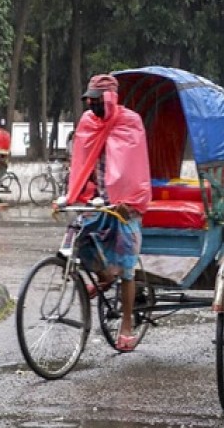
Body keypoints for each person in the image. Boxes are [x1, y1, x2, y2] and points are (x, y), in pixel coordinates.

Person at [64, 74, 151, 352]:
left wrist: (130, 201)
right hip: (98, 199)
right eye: (89, 101)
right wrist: (74, 194)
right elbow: (81, 162)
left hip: (125, 205)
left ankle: (126, 325)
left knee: (127, 268)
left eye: (97, 100)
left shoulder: (130, 122)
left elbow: (136, 168)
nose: (92, 105)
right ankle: (104, 277)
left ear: (110, 98)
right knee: (79, 238)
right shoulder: (88, 122)